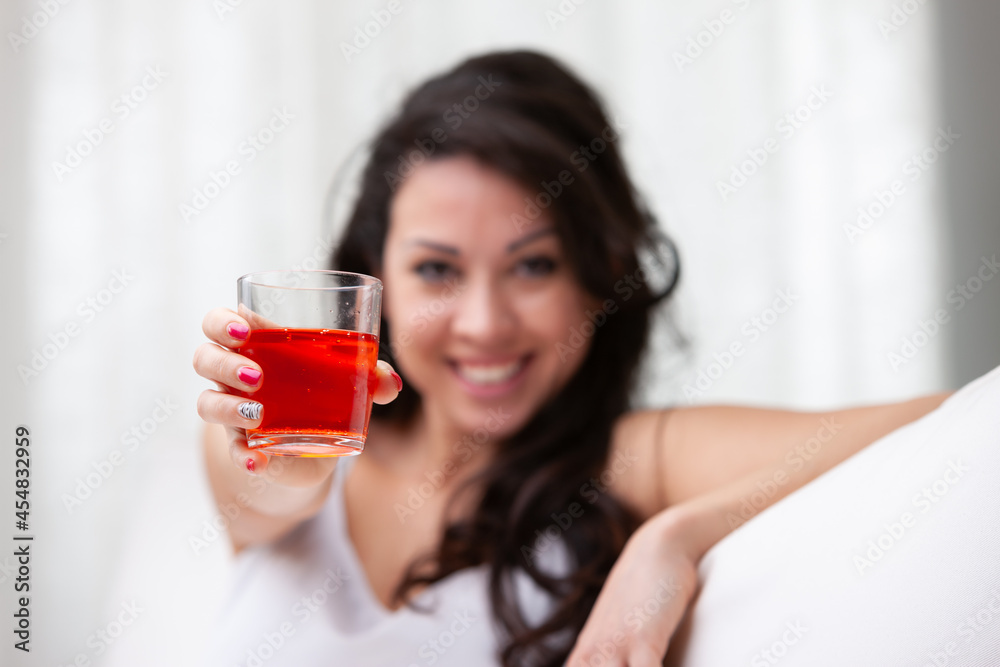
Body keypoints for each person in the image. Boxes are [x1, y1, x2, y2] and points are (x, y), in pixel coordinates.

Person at [192, 50, 950, 666]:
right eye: (436, 269)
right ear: (376, 272)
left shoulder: (630, 459)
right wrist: (290, 464)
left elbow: (946, 422)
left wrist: (675, 536)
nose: (485, 323)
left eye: (533, 266)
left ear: (597, 278)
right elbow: (270, 496)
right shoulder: (277, 445)